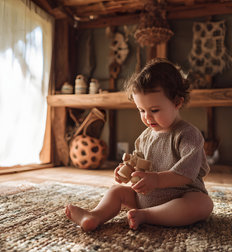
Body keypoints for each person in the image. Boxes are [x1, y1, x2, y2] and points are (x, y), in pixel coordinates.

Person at [65, 58, 213, 231]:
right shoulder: (144, 137)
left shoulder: (188, 134)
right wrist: (125, 172)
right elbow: (137, 164)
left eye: (154, 110)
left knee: (203, 204)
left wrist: (157, 180)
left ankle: (148, 215)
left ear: (177, 103)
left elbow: (187, 173)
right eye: (141, 110)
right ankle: (95, 215)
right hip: (145, 198)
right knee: (116, 191)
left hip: (181, 197)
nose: (147, 117)